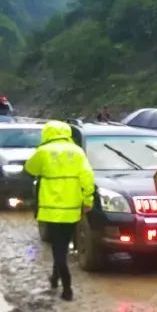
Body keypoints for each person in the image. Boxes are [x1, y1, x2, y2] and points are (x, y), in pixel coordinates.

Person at [25, 120, 96, 301]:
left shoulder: (43, 152)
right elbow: (88, 178)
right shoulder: (78, 152)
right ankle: (55, 279)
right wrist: (88, 200)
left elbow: (30, 168)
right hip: (72, 210)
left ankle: (67, 287)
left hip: (50, 210)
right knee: (62, 246)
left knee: (58, 249)